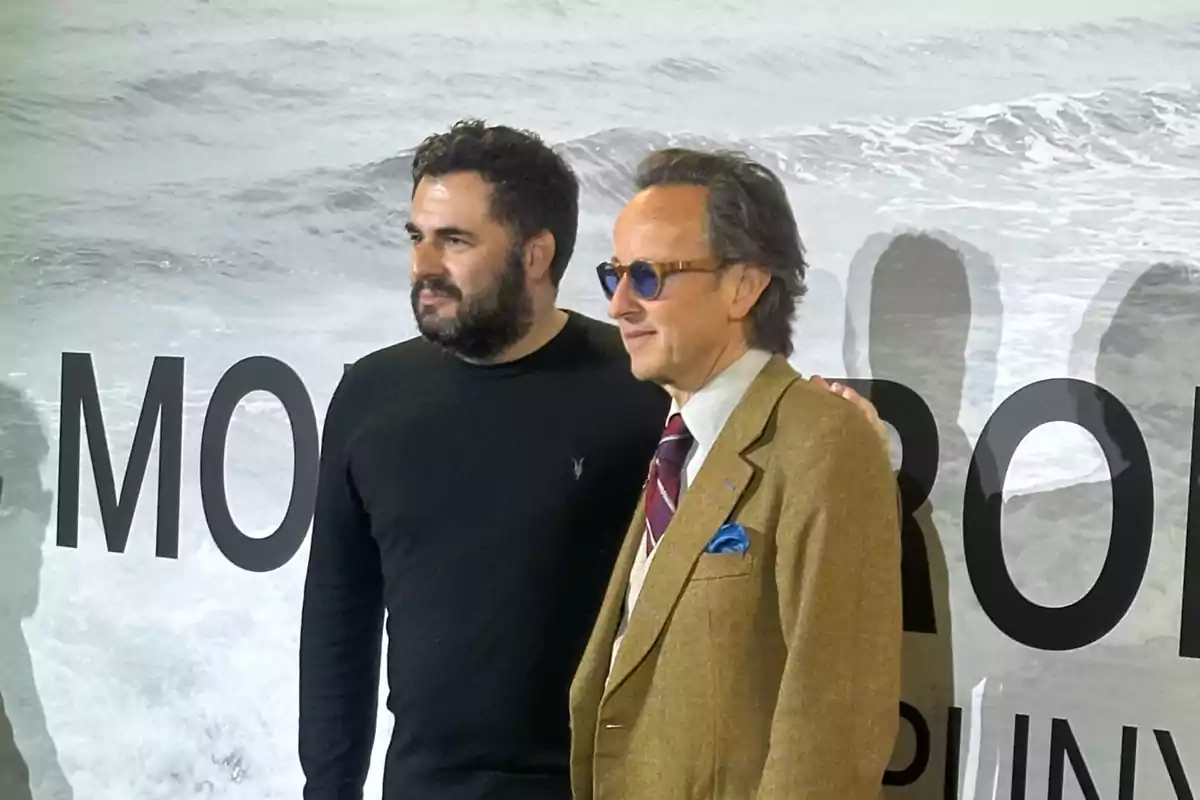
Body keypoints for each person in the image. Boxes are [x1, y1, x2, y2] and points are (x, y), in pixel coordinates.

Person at [297, 119, 887, 800]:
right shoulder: (372, 395)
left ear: (535, 253)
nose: (423, 264)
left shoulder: (648, 393)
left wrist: (840, 430)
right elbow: (338, 615)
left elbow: (763, 439)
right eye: (417, 238)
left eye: (455, 240)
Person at [568, 147, 902, 799]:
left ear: (744, 286)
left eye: (648, 276)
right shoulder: (676, 441)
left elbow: (829, 734)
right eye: (614, 276)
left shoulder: (822, 442)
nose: (619, 305)